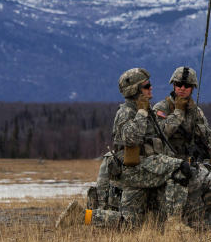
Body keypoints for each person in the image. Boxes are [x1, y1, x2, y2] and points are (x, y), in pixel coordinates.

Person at [57, 68, 190, 229]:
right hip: (135, 170)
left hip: (142, 169)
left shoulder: (145, 109)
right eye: (147, 86)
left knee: (129, 224)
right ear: (135, 90)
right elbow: (130, 138)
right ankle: (174, 223)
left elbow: (161, 134)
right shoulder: (126, 112)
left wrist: (176, 114)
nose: (151, 88)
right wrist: (141, 112)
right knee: (180, 169)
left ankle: (81, 215)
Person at [153, 66, 211, 228]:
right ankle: (196, 217)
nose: (182, 89)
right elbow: (161, 133)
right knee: (202, 179)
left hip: (192, 160)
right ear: (173, 86)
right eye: (179, 84)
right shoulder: (161, 108)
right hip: (169, 163)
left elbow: (209, 134)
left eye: (187, 86)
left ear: (193, 88)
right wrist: (178, 113)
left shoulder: (195, 111)